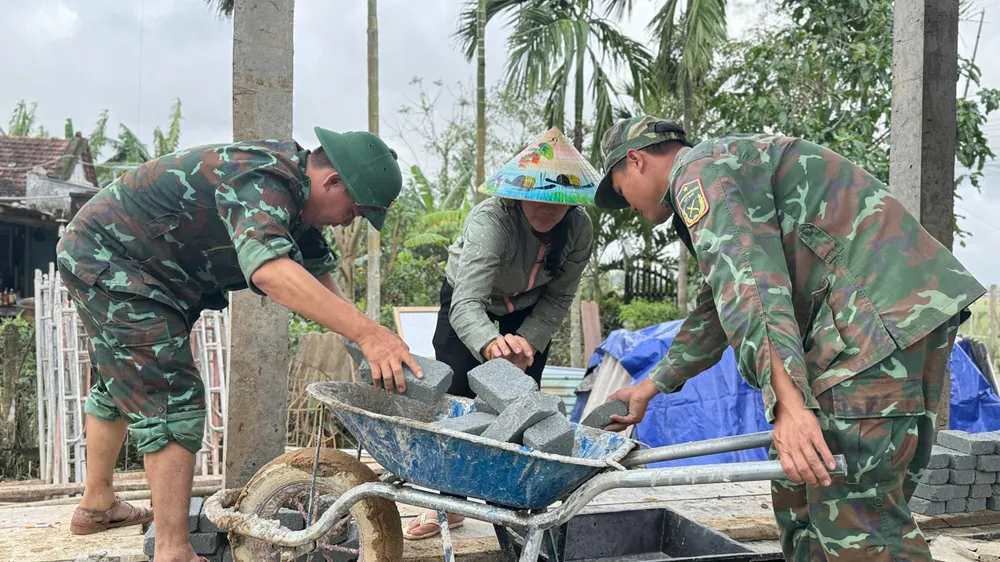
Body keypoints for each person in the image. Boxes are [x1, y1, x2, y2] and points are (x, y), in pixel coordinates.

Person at [595, 116, 986, 561]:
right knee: (802, 492)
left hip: (868, 331)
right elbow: (719, 309)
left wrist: (789, 407)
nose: (626, 204)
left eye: (619, 189)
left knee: (859, 522)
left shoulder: (700, 174)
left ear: (635, 160)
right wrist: (649, 388)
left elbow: (753, 291)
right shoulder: (731, 169)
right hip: (894, 321)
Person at [57, 128, 420, 562]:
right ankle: (174, 552)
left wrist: (363, 343)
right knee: (171, 394)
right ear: (333, 182)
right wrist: (367, 332)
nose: (348, 221)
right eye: (354, 211)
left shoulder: (297, 198)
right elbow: (271, 271)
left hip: (140, 265)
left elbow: (317, 272)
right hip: (112, 258)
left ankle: (97, 505)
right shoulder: (262, 179)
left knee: (124, 379)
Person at [404, 128, 596, 540]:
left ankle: (512, 502)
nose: (548, 208)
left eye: (558, 201)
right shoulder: (492, 220)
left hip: (530, 307)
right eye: (539, 198)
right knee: (456, 397)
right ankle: (445, 504)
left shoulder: (580, 229)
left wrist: (526, 341)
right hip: (469, 299)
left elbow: (559, 298)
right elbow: (466, 303)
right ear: (519, 192)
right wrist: (490, 345)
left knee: (522, 403)